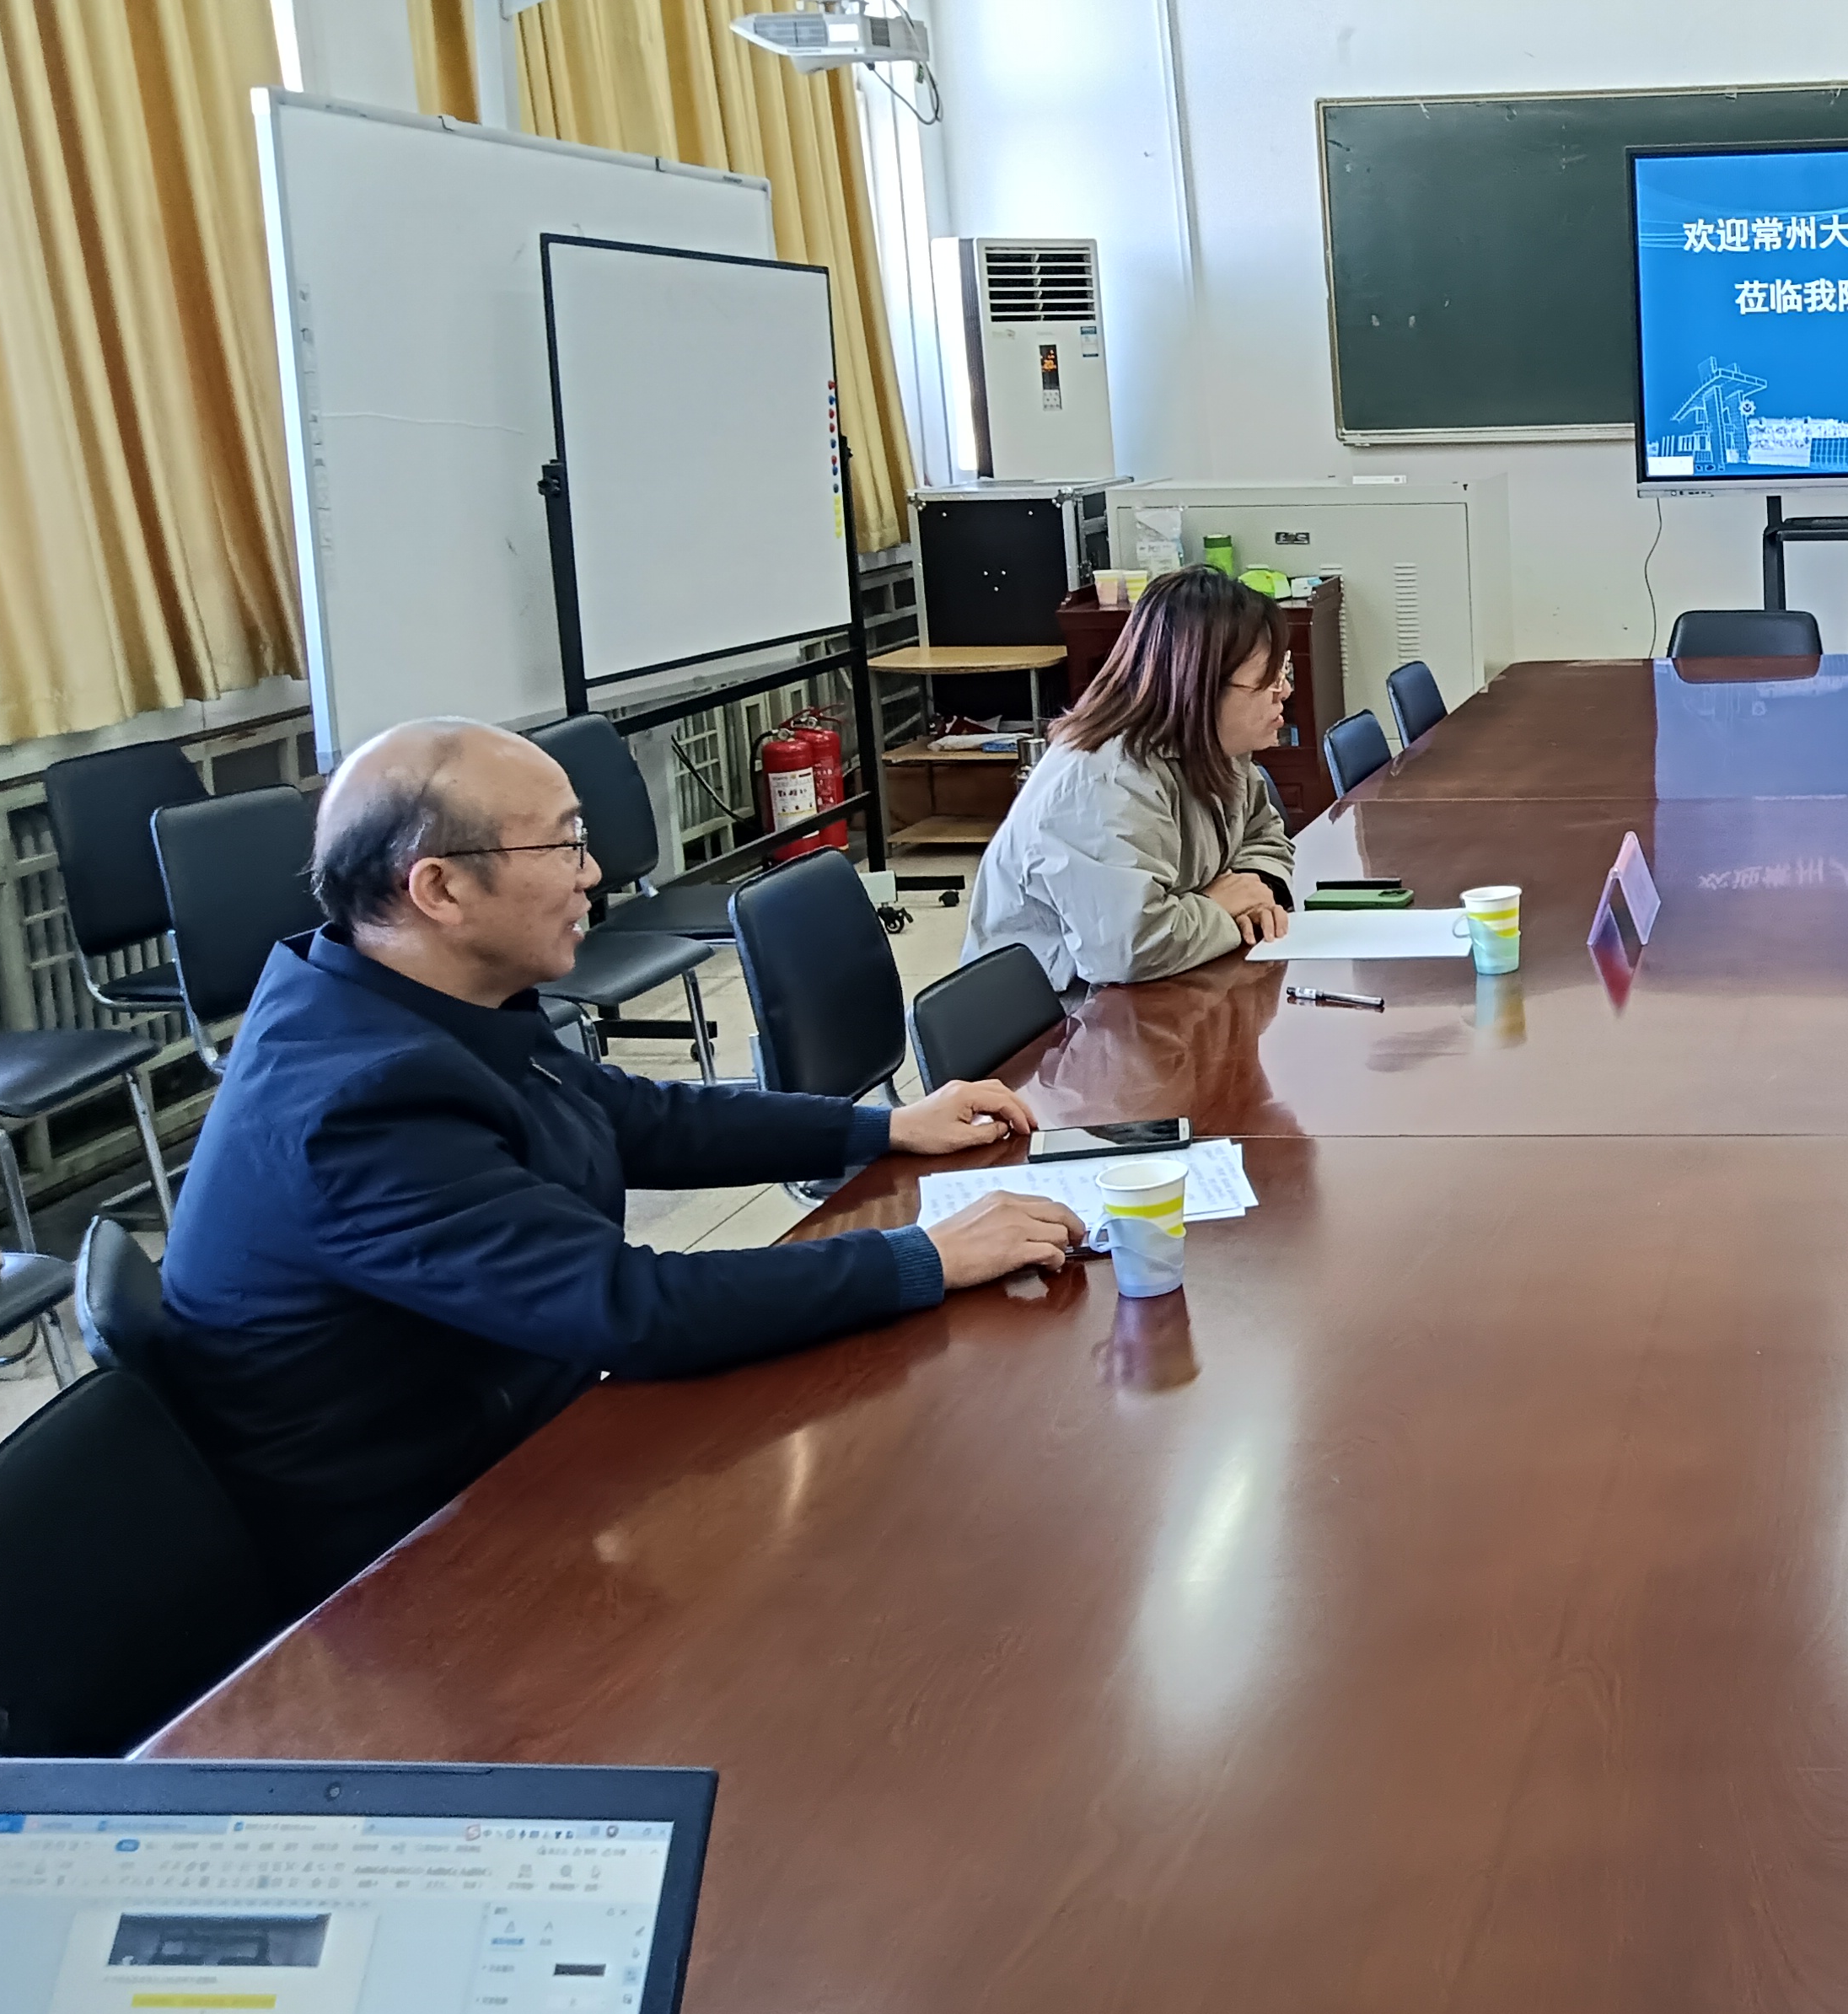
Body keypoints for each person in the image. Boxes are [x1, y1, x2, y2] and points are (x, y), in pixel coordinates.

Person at [158, 721, 1083, 1609]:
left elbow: (634, 1117)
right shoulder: (361, 1100)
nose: (592, 873)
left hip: (527, 1427)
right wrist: (927, 1255)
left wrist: (880, 1131)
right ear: (438, 888)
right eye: (563, 845)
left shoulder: (410, 994)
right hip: (418, 1552)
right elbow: (630, 1307)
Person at [965, 566, 1298, 986]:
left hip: (1163, 978)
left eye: (1283, 671)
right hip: (1062, 1011)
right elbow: (1128, 948)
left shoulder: (1214, 746)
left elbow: (1263, 833)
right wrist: (1217, 908)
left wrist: (1255, 892)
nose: (1285, 691)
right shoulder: (1105, 780)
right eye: (1268, 680)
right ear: (1199, 687)